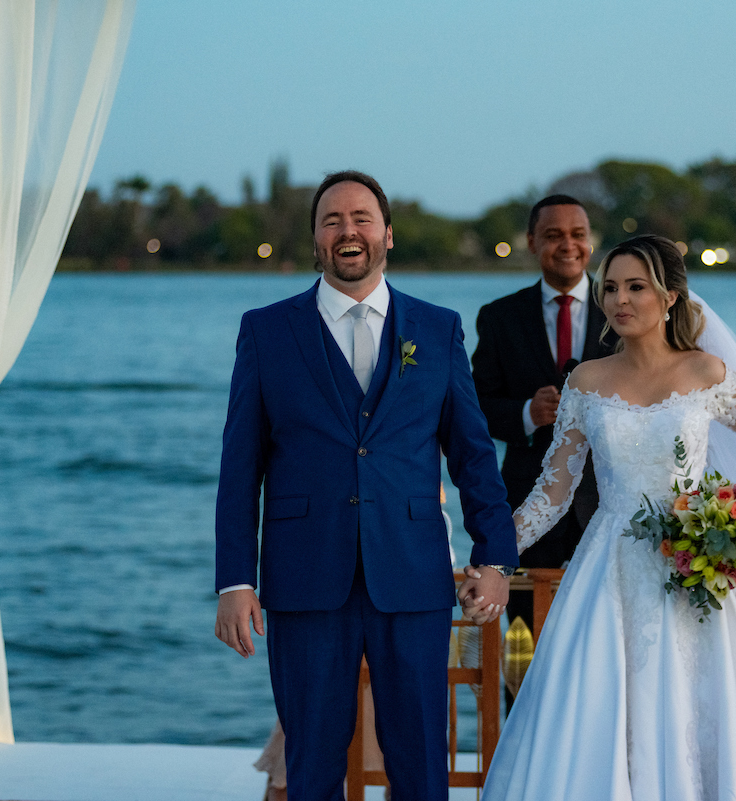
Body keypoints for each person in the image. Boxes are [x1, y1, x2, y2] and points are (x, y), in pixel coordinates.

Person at [463, 235, 736, 800]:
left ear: (670, 297)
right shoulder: (587, 383)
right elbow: (552, 494)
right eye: (609, 288)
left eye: (636, 287)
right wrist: (496, 560)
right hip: (610, 573)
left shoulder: (707, 372)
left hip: (694, 569)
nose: (619, 300)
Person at [214, 170, 518, 801]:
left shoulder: (438, 329)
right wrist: (236, 581)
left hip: (412, 575)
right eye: (332, 221)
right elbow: (240, 468)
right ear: (316, 239)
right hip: (303, 579)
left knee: (422, 764)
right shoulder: (266, 331)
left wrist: (494, 557)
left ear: (386, 234)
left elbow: (472, 456)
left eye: (360, 219)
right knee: (312, 762)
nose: (347, 232)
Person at [469, 195, 616, 707]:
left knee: (606, 654)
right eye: (553, 235)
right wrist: (528, 413)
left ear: (591, 240)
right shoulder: (499, 317)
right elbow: (476, 411)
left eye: (578, 233)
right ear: (532, 243)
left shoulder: (622, 311)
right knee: (524, 657)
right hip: (526, 513)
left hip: (608, 511)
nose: (567, 245)